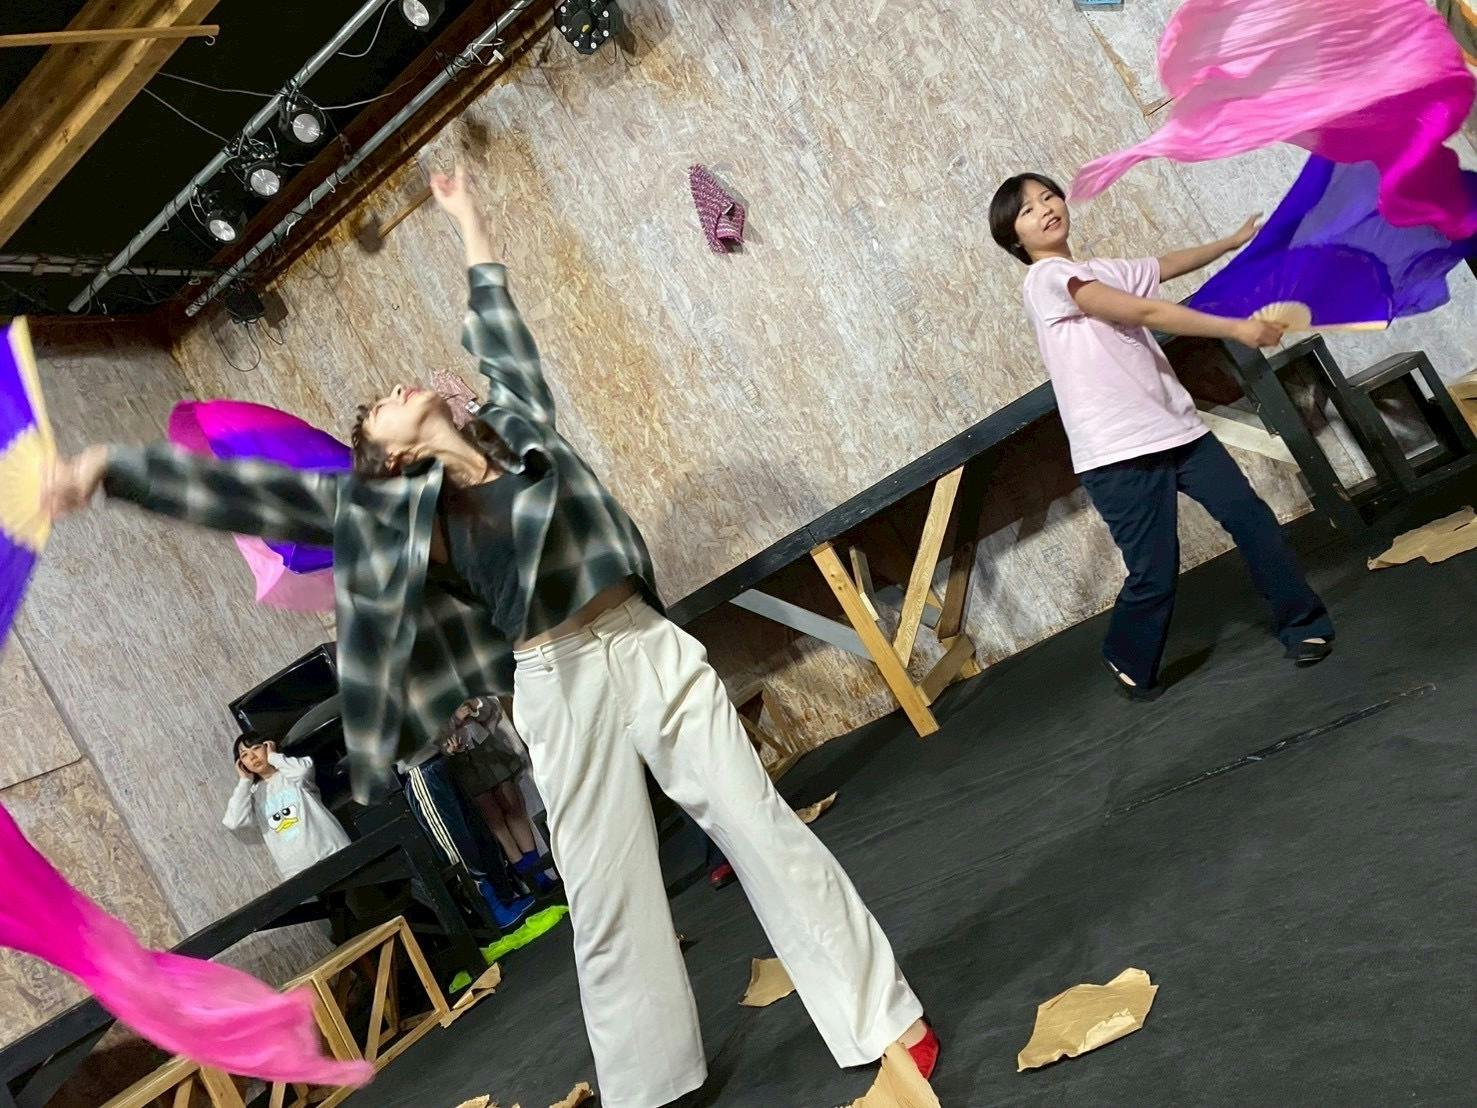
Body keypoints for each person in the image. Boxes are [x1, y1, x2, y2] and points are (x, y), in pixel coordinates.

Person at [45, 166, 937, 1107]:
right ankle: (652, 1089)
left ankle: (882, 1020)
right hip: (556, 678)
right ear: (389, 456)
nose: (392, 389)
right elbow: (257, 498)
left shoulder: (518, 426)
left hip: (643, 645)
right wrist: (109, 470)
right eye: (377, 408)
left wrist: (467, 219)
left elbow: (502, 337)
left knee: (760, 827)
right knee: (606, 893)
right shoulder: (401, 515)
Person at [988, 173, 1335, 701]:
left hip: (1178, 431)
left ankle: (1303, 624)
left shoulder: (1100, 270)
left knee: (1253, 522)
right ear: (1015, 237)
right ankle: (1126, 653)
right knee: (1154, 572)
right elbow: (1144, 311)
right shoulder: (1047, 280)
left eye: (1048, 196)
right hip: (1117, 453)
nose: (1046, 208)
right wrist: (1236, 328)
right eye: (1027, 210)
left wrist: (1230, 241)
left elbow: (1164, 265)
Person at [446, 696, 558, 894]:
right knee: (494, 820)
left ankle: (539, 871)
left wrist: (473, 707)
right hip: (459, 759)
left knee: (513, 807)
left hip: (484, 746)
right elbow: (428, 739)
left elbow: (487, 708)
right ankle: (528, 877)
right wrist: (453, 721)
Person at [223, 733, 350, 880]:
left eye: (256, 748)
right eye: (244, 755)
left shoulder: (291, 775)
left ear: (268, 746)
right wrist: (245, 781)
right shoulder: (252, 795)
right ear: (241, 764)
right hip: (297, 872)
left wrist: (274, 757)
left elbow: (302, 771)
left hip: (334, 853)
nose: (252, 757)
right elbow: (234, 821)